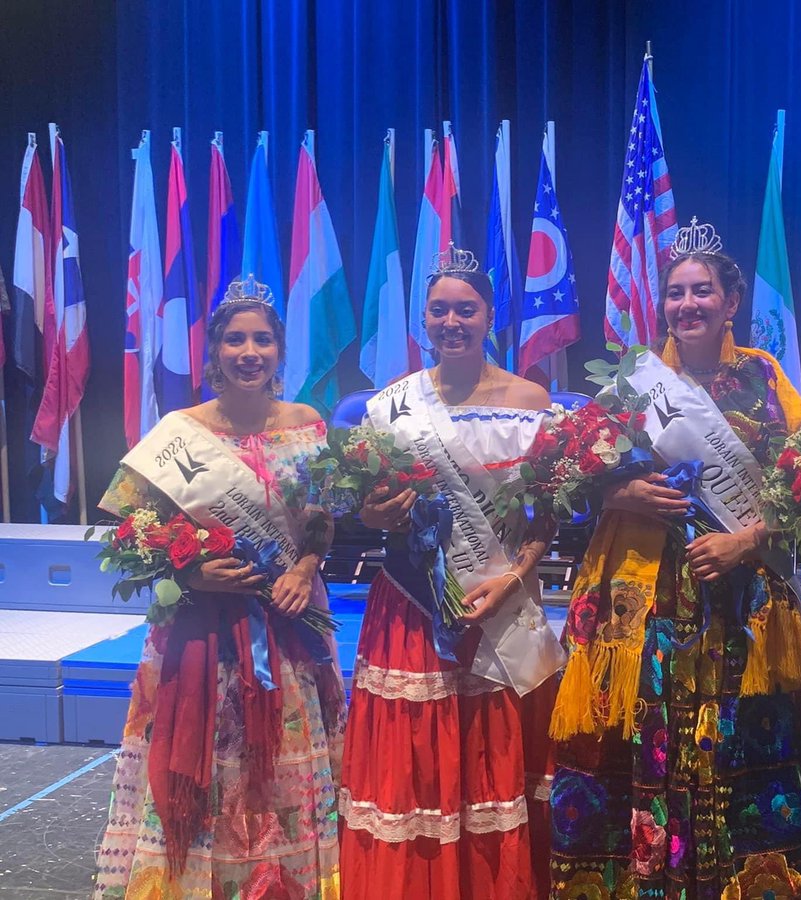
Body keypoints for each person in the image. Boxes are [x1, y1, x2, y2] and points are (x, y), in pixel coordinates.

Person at [548, 220, 801, 899]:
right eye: (675, 294)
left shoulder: (766, 379)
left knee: (735, 755)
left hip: (739, 605)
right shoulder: (635, 382)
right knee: (645, 752)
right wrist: (620, 491)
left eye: (702, 292)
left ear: (731, 301)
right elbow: (565, 486)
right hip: (645, 611)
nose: (687, 305)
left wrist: (745, 541)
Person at [92, 277, 345, 899]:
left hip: (289, 627)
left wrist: (304, 569)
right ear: (215, 352)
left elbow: (322, 523)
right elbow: (127, 532)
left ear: (280, 351)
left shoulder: (308, 425)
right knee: (215, 769)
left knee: (279, 771)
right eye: (235, 339)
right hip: (204, 634)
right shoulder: (181, 431)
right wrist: (189, 573)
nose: (249, 352)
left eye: (262, 339)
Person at [338, 246, 565, 900]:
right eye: (439, 309)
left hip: (504, 608)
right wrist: (374, 514)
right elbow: (366, 511)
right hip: (414, 608)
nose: (452, 321)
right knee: (417, 770)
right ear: (423, 320)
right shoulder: (390, 407)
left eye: (466, 308)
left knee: (492, 761)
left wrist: (515, 578)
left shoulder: (528, 400)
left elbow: (545, 516)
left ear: (490, 316)